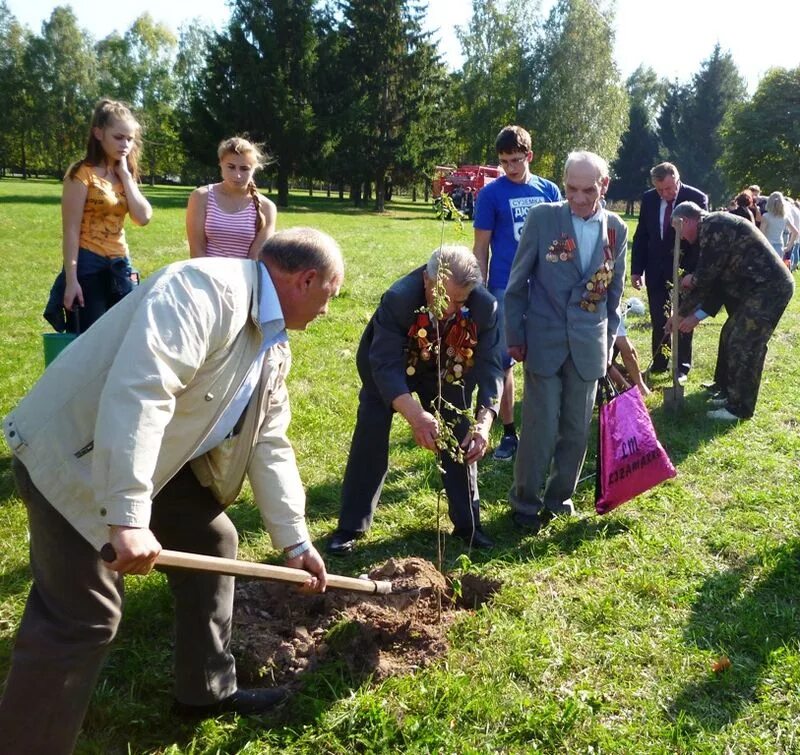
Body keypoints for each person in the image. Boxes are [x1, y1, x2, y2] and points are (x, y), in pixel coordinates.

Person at [0, 228, 343, 754]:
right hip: (73, 456)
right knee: (84, 617)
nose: (328, 310)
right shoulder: (203, 291)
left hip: (141, 462)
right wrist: (130, 515)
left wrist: (296, 543)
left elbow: (269, 442)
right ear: (307, 279)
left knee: (214, 540)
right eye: (329, 297)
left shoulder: (272, 343)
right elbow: (141, 391)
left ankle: (204, 691)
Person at [327, 246, 503, 554]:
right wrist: (415, 414)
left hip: (448, 367)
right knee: (371, 434)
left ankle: (468, 525)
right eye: (442, 299)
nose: (449, 310)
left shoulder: (485, 307)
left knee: (460, 435)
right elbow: (383, 364)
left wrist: (484, 422)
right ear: (426, 279)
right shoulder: (399, 299)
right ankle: (351, 526)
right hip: (389, 369)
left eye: (458, 302)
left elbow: (491, 369)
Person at [505, 151, 627, 532]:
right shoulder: (544, 219)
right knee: (540, 428)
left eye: (587, 190)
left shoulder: (617, 230)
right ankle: (525, 503)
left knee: (576, 429)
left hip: (589, 345)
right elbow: (517, 282)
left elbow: (614, 295)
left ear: (603, 186)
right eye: (571, 188)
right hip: (543, 339)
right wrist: (514, 335)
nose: (577, 198)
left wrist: (608, 345)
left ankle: (560, 499)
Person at [472, 125, 561, 461]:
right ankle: (509, 433)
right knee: (504, 361)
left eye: (516, 160)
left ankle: (542, 429)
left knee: (543, 360)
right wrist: (480, 292)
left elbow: (561, 242)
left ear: (530, 156)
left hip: (544, 289)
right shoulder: (490, 195)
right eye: (504, 161)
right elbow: (481, 247)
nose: (510, 167)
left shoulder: (549, 190)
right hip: (504, 288)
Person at [666, 202, 794, 421]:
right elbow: (717, 284)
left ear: (686, 221)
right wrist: (684, 314)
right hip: (754, 289)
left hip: (770, 288)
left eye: (679, 232)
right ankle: (728, 392)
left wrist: (683, 308)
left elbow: (706, 279)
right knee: (729, 334)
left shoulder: (714, 226)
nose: (683, 239)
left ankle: (740, 408)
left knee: (744, 342)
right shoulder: (713, 227)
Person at [45, 98, 152, 334]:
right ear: (98, 133)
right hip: (88, 264)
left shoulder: (126, 173)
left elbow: (143, 218)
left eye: (130, 139)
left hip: (120, 264)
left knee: (124, 337)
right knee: (91, 341)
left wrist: (125, 176)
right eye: (118, 137)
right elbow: (70, 230)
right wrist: (71, 281)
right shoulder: (81, 174)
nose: (125, 144)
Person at [630, 162, 708, 381]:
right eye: (660, 190)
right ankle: (660, 364)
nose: (665, 194)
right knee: (659, 318)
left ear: (677, 178)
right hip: (655, 270)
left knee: (682, 317)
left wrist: (691, 273)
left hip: (685, 270)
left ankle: (681, 367)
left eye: (669, 189)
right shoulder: (648, 199)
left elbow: (700, 241)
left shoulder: (696, 197)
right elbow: (642, 235)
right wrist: (637, 270)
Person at [186, 136, 277, 259]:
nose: (237, 175)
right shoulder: (201, 197)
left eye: (244, 169)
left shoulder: (267, 207)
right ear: (221, 164)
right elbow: (197, 251)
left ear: (254, 169)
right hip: (204, 274)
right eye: (231, 167)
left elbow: (255, 259)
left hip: (245, 276)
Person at [759, 191, 798, 258]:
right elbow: (795, 232)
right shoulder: (785, 218)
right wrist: (788, 247)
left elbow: (761, 233)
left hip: (768, 245)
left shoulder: (766, 216)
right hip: (779, 246)